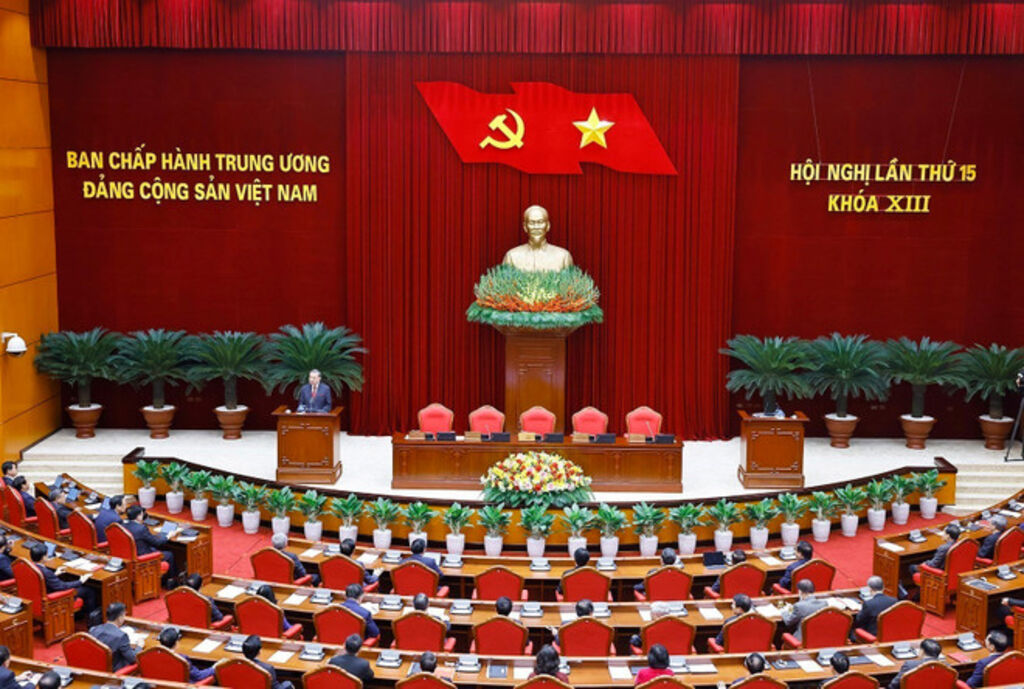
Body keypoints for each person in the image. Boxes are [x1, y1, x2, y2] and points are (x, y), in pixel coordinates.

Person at [30, 542, 97, 616]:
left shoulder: (31, 567)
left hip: (38, 596)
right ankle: (90, 618)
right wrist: (80, 581)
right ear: (43, 557)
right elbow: (62, 586)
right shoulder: (46, 572)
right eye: (47, 554)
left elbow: (42, 579)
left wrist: (55, 574)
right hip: (53, 597)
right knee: (89, 591)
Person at [503, 205, 574, 272]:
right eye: (531, 223)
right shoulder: (512, 256)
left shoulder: (563, 257)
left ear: (548, 226)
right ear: (525, 227)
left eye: (540, 222)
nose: (536, 227)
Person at [123, 504, 180, 585]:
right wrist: (168, 536)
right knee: (169, 555)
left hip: (131, 555)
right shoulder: (141, 529)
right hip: (142, 557)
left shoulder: (123, 525)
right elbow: (158, 543)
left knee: (155, 548)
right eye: (142, 514)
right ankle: (171, 581)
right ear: (138, 516)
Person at [88, 602, 137, 671]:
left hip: (94, 668)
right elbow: (133, 659)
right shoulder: (121, 636)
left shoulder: (93, 630)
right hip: (112, 671)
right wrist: (139, 647)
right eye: (124, 615)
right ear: (119, 618)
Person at [851, 575, 898, 640]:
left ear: (870, 589)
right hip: (890, 634)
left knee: (851, 629)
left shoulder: (869, 604)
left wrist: (860, 611)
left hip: (873, 636)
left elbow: (859, 620)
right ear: (883, 587)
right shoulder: (894, 601)